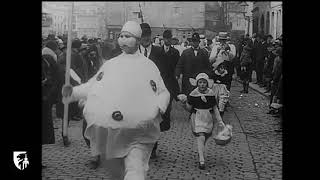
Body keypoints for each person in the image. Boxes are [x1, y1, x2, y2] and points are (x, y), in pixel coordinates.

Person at [62, 21, 170, 180]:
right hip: (114, 130)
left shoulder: (149, 66)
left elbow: (163, 92)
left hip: (139, 129)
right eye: (122, 36)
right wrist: (74, 93)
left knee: (135, 165)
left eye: (128, 36)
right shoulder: (111, 64)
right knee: (116, 170)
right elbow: (94, 84)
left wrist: (159, 107)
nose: (124, 40)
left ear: (138, 40)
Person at [177, 73, 224, 170]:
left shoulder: (211, 93)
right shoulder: (193, 94)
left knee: (205, 137)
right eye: (200, 82)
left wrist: (220, 121)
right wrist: (184, 103)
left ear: (207, 84)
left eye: (204, 82)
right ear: (197, 83)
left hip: (208, 118)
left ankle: (201, 151)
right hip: (197, 117)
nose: (202, 85)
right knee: (201, 135)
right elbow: (189, 108)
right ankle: (202, 160)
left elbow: (215, 108)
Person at [150, 29, 181, 159]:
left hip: (170, 82)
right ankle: (154, 142)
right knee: (156, 112)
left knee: (167, 108)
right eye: (165, 38)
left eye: (169, 38)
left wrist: (177, 76)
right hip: (159, 84)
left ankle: (164, 122)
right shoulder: (158, 51)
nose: (167, 41)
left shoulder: (175, 52)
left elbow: (177, 67)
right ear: (163, 39)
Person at [56, 38, 89, 146]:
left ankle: (64, 134)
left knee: (67, 113)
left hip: (67, 86)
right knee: (67, 113)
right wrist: (80, 82)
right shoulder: (72, 56)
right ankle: (64, 135)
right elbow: (76, 71)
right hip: (70, 87)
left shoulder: (65, 55)